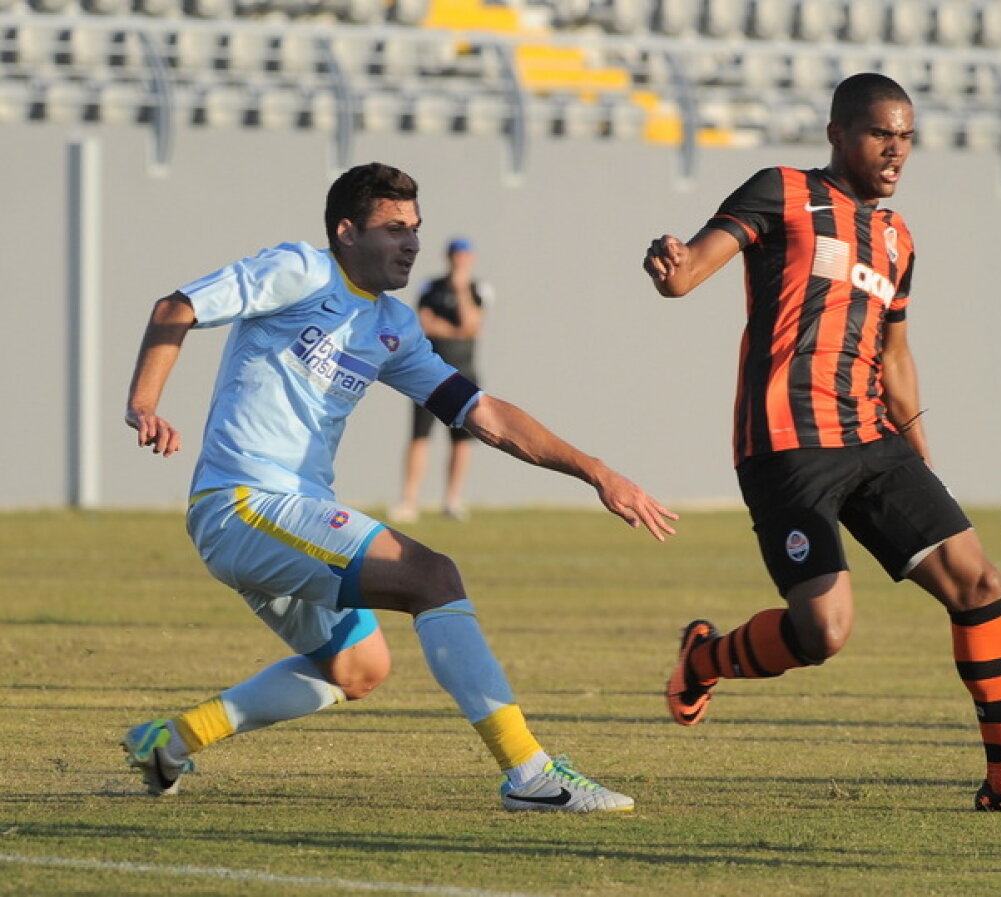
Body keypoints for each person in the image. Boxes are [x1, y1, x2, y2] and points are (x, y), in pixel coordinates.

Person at [122, 161, 677, 813]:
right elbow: (177, 307)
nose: (411, 242)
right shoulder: (302, 270)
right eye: (394, 228)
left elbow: (486, 415)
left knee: (357, 667)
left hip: (289, 513)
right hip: (245, 503)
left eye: (415, 227)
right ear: (347, 231)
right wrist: (144, 404)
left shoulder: (393, 327)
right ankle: (530, 774)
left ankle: (171, 741)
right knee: (433, 576)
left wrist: (598, 471)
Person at [643, 73, 1001, 815]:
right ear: (837, 134)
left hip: (876, 440)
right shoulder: (781, 191)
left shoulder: (897, 238)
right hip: (787, 444)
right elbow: (689, 271)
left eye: (906, 137)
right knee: (824, 632)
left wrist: (920, 463)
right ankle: (703, 659)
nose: (895, 151)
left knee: (977, 582)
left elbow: (895, 359)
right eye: (881, 134)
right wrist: (671, 268)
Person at [391, 237, 493, 523]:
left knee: (461, 440)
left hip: (464, 373)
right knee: (419, 436)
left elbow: (472, 325)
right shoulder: (431, 287)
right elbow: (424, 323)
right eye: (455, 255)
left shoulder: (477, 289)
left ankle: (452, 499)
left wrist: (461, 290)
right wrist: (454, 329)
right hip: (430, 374)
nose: (459, 260)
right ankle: (409, 500)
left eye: (464, 255)